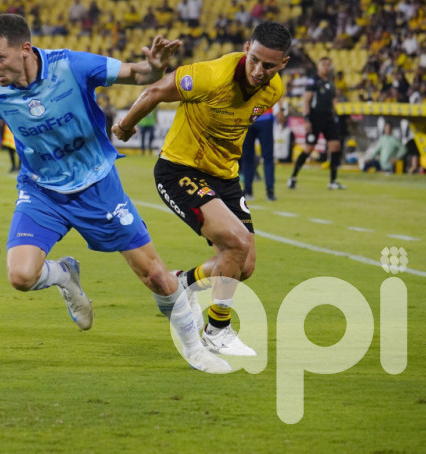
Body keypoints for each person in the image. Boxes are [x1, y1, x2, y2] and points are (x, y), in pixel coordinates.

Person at [0, 14, 230, 374]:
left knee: (156, 278)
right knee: (21, 277)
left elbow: (137, 74)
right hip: (41, 191)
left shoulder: (71, 65)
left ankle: (195, 349)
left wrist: (152, 68)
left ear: (25, 50)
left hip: (98, 187)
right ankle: (64, 275)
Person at [112, 21, 292, 357]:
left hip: (224, 177)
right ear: (246, 46)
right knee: (237, 244)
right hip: (179, 169)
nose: (258, 70)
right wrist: (125, 126)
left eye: (268, 65)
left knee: (244, 265)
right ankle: (217, 330)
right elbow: (154, 92)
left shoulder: (274, 90)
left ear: (283, 64)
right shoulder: (211, 74)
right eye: (254, 59)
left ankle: (181, 283)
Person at [288, 56, 346, 190]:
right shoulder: (312, 81)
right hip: (315, 118)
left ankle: (333, 181)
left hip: (329, 118)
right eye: (323, 64)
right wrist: (307, 119)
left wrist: (336, 108)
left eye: (328, 64)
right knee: (308, 149)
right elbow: (306, 100)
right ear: (318, 66)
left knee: (335, 146)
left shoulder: (331, 84)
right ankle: (293, 177)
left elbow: (333, 101)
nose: (326, 67)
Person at [240, 103, 276, 201]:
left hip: (249, 118)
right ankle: (269, 192)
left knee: (248, 158)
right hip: (263, 118)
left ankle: (248, 191)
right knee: (267, 157)